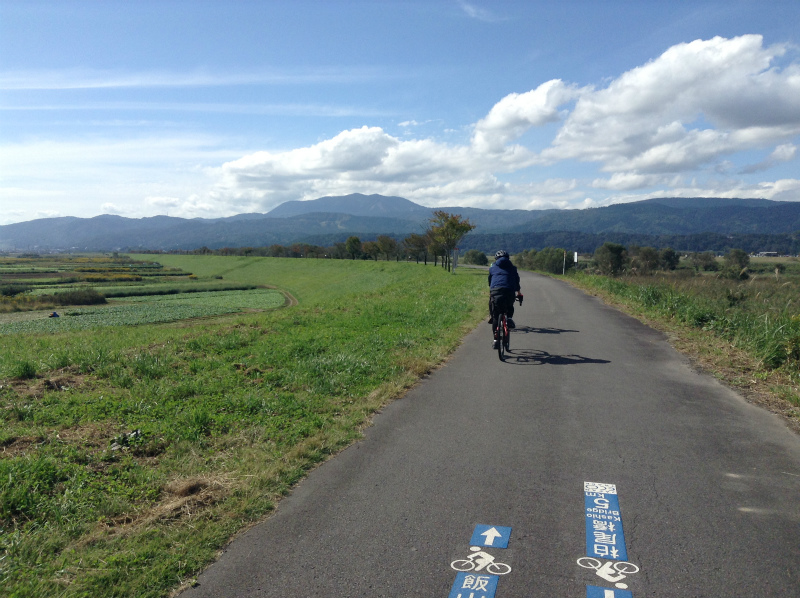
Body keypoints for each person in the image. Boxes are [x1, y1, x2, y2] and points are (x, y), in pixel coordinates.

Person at [488, 250, 522, 349]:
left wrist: (492, 290)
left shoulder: (492, 268)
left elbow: (490, 281)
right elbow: (516, 282)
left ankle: (495, 340)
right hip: (509, 292)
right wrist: (519, 293)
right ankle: (509, 319)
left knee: (495, 316)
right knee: (510, 306)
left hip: (496, 292)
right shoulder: (513, 268)